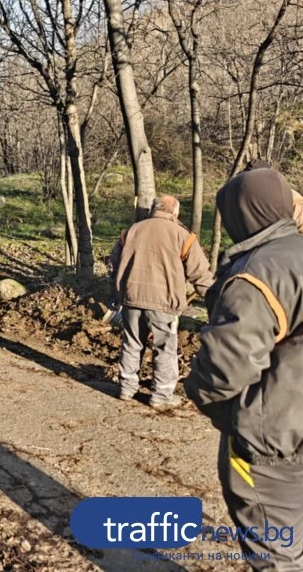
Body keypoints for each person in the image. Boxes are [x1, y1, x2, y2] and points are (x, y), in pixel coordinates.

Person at [184, 168, 303, 569]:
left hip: (273, 443)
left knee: (275, 552)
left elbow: (223, 369)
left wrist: (224, 412)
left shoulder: (259, 271)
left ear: (240, 215)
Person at [108, 195, 214, 408]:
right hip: (164, 303)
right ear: (175, 213)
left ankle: (126, 388)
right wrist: (217, 299)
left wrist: (116, 294)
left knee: (132, 342)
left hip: (131, 298)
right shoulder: (184, 237)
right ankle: (161, 395)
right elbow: (200, 275)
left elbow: (113, 265)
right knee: (165, 347)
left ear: (153, 209)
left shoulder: (130, 232)